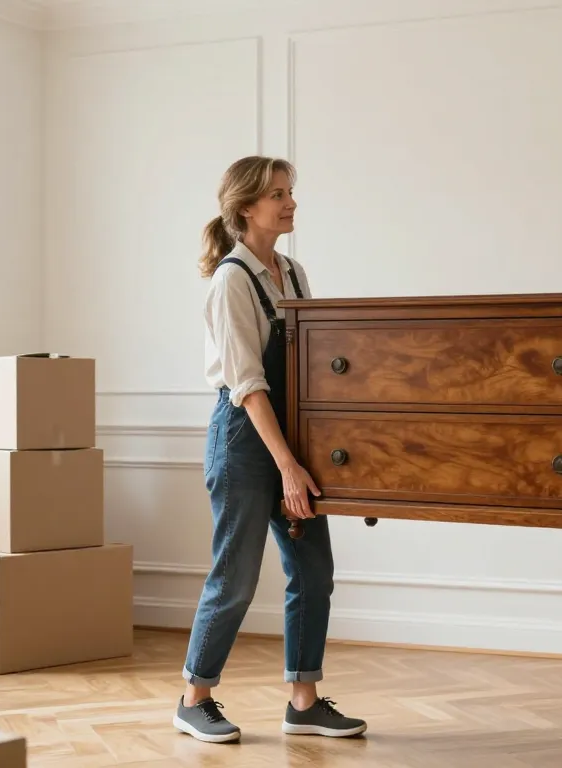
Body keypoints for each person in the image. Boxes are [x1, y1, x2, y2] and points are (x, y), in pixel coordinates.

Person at [173, 155, 368, 744]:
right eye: (276, 194)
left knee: (313, 569)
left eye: (290, 192)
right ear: (245, 208)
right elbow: (250, 385)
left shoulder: (293, 271)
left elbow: (309, 366)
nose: (290, 203)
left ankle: (303, 702)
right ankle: (193, 697)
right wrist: (287, 467)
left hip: (294, 438)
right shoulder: (232, 279)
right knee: (236, 575)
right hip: (244, 440)